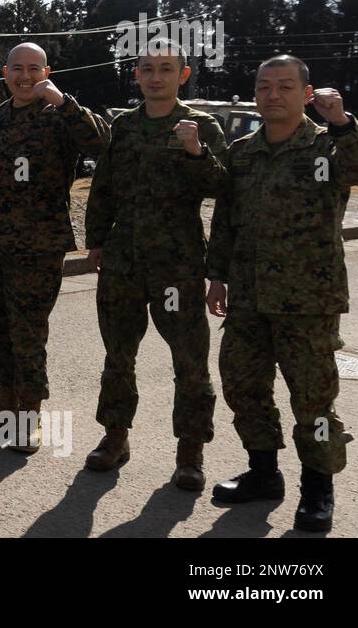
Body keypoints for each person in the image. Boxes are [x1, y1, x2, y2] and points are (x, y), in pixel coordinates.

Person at [206, 55, 358, 532]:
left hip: (309, 298)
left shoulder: (329, 147)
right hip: (249, 295)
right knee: (243, 385)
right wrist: (216, 274)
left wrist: (341, 120)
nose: (272, 95)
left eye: (284, 87)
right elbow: (225, 220)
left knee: (313, 399)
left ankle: (319, 489)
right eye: (264, 87)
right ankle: (264, 475)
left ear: (306, 94)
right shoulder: (241, 152)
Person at [82, 40, 225, 489]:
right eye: (148, 68)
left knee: (189, 359)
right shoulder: (121, 127)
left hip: (177, 262)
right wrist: (97, 240)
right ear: (137, 75)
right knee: (118, 354)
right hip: (123, 258)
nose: (156, 76)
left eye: (166, 68)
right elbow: (102, 186)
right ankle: (115, 437)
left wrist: (197, 152)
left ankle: (190, 451)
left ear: (182, 75)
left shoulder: (202, 125)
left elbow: (224, 188)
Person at [0, 42, 108, 452]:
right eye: (17, 69)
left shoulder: (60, 117)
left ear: (48, 72)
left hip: (39, 245)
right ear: (5, 73)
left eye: (34, 69)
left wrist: (66, 103)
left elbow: (102, 144)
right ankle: (6, 404)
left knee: (27, 330)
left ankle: (30, 412)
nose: (25, 77)